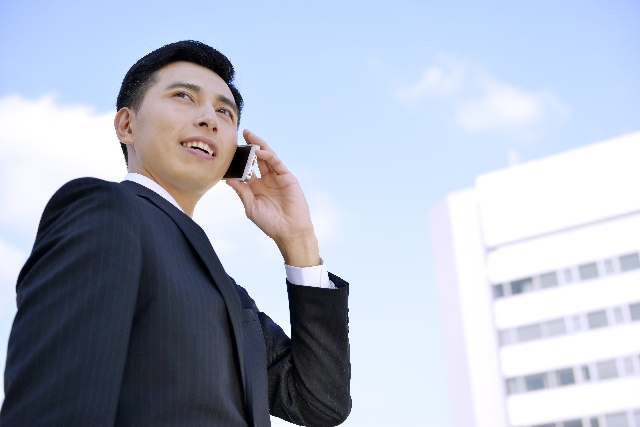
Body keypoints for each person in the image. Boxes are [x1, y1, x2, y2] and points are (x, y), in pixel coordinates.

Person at [1, 40, 351, 427]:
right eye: (183, 96)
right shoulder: (104, 210)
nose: (210, 119)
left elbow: (320, 403)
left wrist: (298, 240)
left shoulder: (230, 293)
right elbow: (52, 408)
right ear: (127, 125)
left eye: (224, 111)